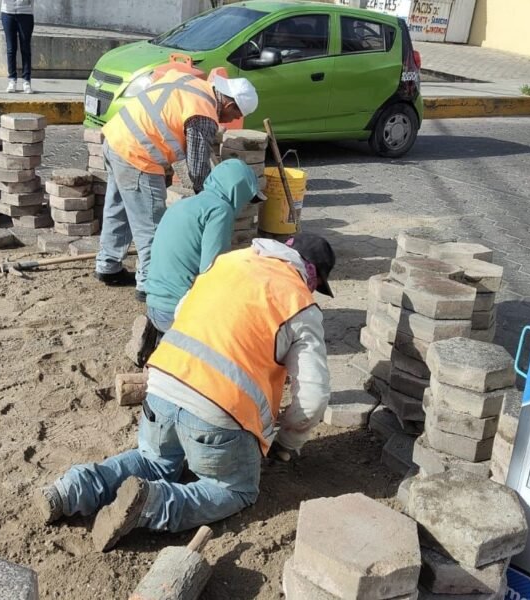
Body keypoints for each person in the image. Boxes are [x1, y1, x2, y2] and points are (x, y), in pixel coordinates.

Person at [37, 233, 336, 551]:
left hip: (162, 384)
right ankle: (154, 504)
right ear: (311, 274)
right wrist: (286, 442)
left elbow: (183, 312)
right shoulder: (300, 303)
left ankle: (69, 489)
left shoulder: (229, 261)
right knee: (235, 490)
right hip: (220, 412)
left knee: (152, 460)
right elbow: (314, 396)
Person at [94, 72, 259, 302]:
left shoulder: (192, 82)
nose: (230, 121)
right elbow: (198, 167)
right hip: (139, 156)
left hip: (116, 137)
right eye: (235, 115)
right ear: (229, 103)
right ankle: (150, 283)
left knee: (118, 207)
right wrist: (210, 200)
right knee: (152, 225)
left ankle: (108, 265)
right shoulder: (203, 113)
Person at [145, 159, 266, 333]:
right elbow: (212, 271)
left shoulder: (183, 204)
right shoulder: (219, 211)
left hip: (155, 306)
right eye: (247, 199)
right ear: (238, 191)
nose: (245, 205)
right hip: (177, 311)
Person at [1, 0, 34, 94]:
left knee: (26, 49)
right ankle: (12, 80)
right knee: (11, 49)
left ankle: (26, 81)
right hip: (7, 12)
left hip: (25, 12)